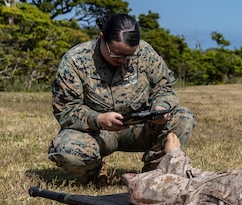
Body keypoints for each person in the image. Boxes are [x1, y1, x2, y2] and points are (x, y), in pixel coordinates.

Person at [48, 14, 195, 183]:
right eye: (117, 55)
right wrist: (98, 119)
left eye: (129, 56)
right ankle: (95, 174)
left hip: (138, 127)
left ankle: (152, 175)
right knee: (66, 149)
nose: (124, 61)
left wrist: (160, 108)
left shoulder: (145, 53)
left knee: (183, 118)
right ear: (102, 38)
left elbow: (164, 88)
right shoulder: (76, 60)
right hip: (97, 132)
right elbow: (66, 109)